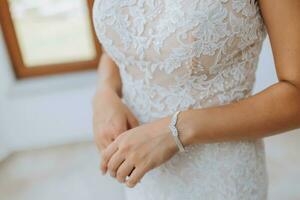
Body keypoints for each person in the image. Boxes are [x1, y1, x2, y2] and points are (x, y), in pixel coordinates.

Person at [92, 0, 300, 199]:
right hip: (142, 173)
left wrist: (174, 131)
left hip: (218, 178)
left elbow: (296, 93)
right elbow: (127, 32)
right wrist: (105, 91)